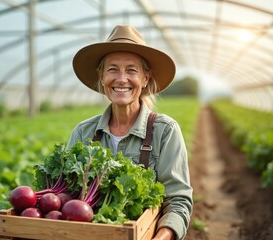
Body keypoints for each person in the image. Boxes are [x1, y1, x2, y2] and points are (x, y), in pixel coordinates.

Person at [67, 24, 192, 240]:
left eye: (131, 70)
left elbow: (178, 201)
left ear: (145, 79)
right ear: (102, 76)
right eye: (113, 69)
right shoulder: (83, 133)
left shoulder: (165, 131)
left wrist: (161, 238)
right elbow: (67, 196)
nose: (121, 79)